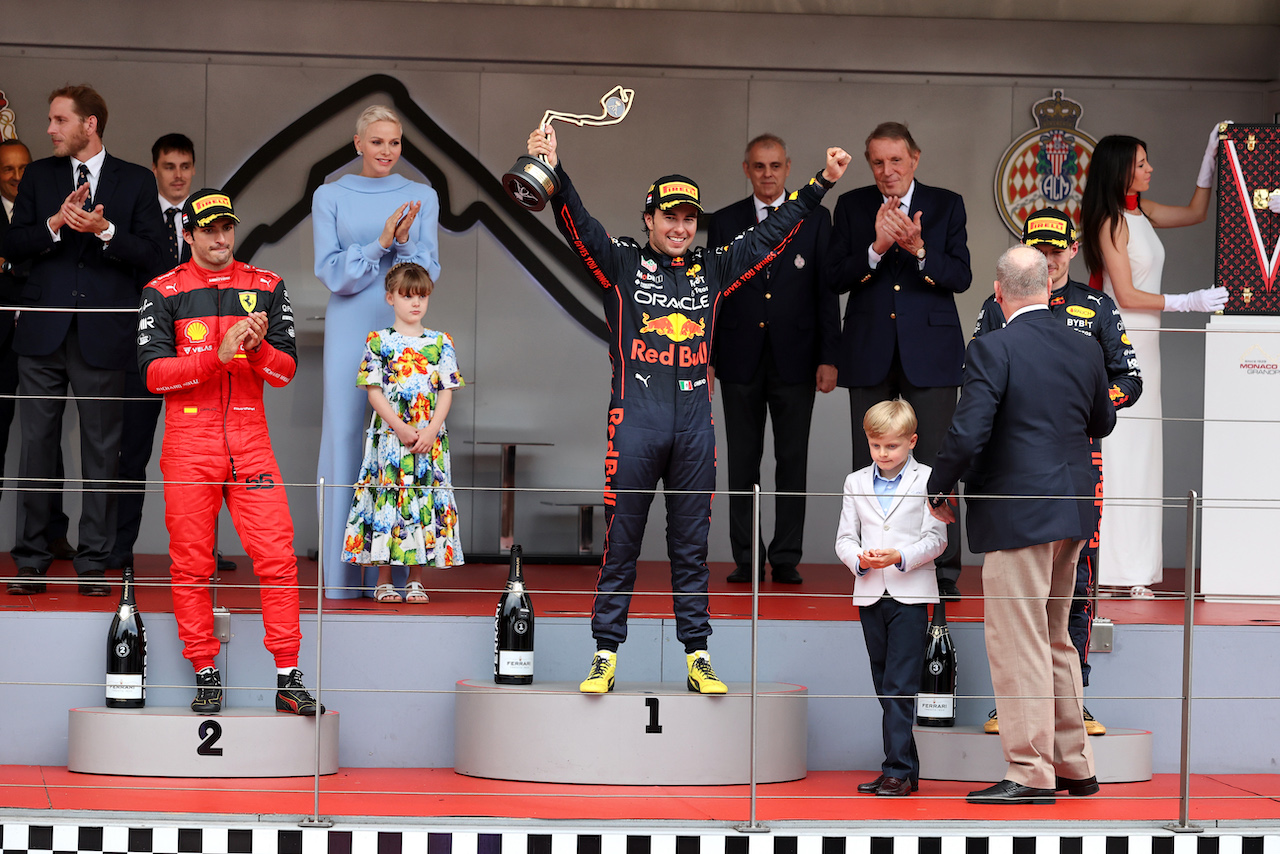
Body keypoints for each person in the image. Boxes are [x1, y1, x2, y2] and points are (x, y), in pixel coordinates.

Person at [526, 124, 851, 694]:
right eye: (669, 218)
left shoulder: (713, 267)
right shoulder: (621, 263)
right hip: (635, 422)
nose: (680, 228)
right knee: (621, 539)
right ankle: (605, 652)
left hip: (695, 427)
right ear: (648, 219)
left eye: (688, 219)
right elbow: (576, 222)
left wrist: (820, 182)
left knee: (692, 547)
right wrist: (554, 168)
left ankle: (697, 654)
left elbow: (774, 231)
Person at [927, 245, 1115, 805]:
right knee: (1055, 637)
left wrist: (938, 485)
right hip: (1073, 510)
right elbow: (1103, 418)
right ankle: (1074, 764)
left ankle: (1030, 773)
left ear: (998, 291)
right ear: (1049, 289)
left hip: (1017, 513)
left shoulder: (993, 346)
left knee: (1017, 642)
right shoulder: (1084, 347)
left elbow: (968, 431)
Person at [137, 188, 321, 716]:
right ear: (188, 234)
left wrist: (257, 347)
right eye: (210, 229)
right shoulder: (162, 290)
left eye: (228, 227)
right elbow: (153, 376)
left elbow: (283, 373)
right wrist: (217, 358)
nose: (221, 238)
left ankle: (288, 676)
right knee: (191, 565)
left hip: (250, 441)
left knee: (278, 558)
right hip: (189, 442)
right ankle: (206, 672)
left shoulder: (265, 286)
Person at [972, 208, 1145, 737]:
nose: (1047, 260)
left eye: (1055, 250)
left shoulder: (1097, 307)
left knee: (1078, 580)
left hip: (1078, 457)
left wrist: (1089, 408)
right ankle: (1014, 703)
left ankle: (1076, 697)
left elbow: (1129, 379)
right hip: (1016, 462)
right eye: (1037, 249)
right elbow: (976, 376)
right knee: (1017, 591)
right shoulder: (998, 304)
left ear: (1072, 250)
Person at [2, 85, 166, 596]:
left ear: (88, 124)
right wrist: (54, 224)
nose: (48, 129)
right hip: (42, 333)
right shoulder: (41, 177)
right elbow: (10, 243)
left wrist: (105, 230)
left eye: (57, 120)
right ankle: (29, 559)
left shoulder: (136, 181)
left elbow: (158, 259)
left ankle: (93, 564)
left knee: (102, 452)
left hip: (104, 333)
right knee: (35, 448)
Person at [824, 122, 971, 601]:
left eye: (896, 161)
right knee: (869, 460)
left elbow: (961, 276)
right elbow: (836, 276)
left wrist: (919, 249)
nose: (887, 171)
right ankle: (869, 563)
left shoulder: (946, 203)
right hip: (868, 347)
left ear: (915, 159)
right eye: (878, 162)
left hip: (931, 351)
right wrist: (877, 249)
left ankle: (944, 568)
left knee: (938, 463)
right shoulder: (851, 205)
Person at [1080, 128, 1228, 599]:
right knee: (1120, 457)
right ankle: (1110, 570)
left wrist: (1211, 162)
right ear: (1121, 167)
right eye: (1142, 163)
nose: (1149, 169)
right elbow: (1124, 295)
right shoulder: (1109, 221)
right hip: (1119, 346)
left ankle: (1137, 570)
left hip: (1151, 347)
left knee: (1144, 457)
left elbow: (1196, 212)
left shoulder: (1138, 211)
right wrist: (1189, 301)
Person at [313, 104, 441, 600]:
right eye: (378, 141)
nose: (387, 151)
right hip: (350, 323)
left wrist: (404, 243)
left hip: (403, 328)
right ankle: (345, 580)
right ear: (358, 143)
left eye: (396, 142)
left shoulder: (421, 196)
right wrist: (380, 241)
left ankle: (401, 575)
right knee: (348, 436)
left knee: (405, 435)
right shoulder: (329, 195)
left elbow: (426, 271)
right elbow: (331, 271)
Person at [706, 133, 840, 585]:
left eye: (775, 166)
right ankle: (746, 558)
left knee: (791, 461)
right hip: (738, 357)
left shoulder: (817, 219)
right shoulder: (724, 221)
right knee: (741, 462)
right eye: (759, 166)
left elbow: (825, 291)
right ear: (747, 169)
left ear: (788, 169)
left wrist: (829, 357)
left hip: (797, 359)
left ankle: (785, 557)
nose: (767, 174)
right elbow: (715, 293)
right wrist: (707, 356)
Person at [835, 398, 945, 798]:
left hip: (911, 594)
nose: (883, 454)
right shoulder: (855, 482)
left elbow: (938, 539)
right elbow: (845, 538)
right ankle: (903, 770)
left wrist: (901, 556)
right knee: (885, 685)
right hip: (869, 592)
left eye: (892, 446)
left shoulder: (929, 479)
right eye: (876, 445)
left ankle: (896, 769)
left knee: (899, 685)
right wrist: (859, 561)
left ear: (912, 441)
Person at [108, 133, 208, 574]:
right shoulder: (139, 216)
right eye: (169, 166)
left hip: (199, 354)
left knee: (202, 457)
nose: (179, 175)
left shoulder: (208, 220)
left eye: (185, 166)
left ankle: (205, 549)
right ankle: (119, 548)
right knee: (133, 452)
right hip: (145, 353)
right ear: (155, 170)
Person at [342, 262, 465, 603]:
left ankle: (415, 580)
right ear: (390, 298)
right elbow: (373, 390)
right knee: (388, 501)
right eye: (408, 296)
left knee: (422, 499)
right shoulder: (379, 341)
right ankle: (383, 580)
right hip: (390, 438)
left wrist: (431, 430)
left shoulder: (441, 342)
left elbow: (446, 389)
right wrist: (400, 427)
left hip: (429, 438)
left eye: (422, 296)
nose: (416, 303)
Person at [1, 138, 76, 586]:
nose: (17, 175)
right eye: (8, 168)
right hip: (1, 345)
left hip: (41, 339)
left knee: (47, 443)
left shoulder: (49, 204)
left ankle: (53, 534)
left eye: (24, 167)